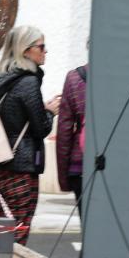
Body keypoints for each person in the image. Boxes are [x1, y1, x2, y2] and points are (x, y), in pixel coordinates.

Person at [0, 25, 61, 245]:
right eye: (41, 46)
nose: (45, 51)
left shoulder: (3, 81)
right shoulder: (28, 83)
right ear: (25, 50)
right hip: (22, 168)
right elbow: (41, 128)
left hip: (1, 167)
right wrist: (50, 112)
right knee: (18, 235)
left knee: (4, 232)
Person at [56, 63, 87, 217]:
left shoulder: (74, 78)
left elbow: (64, 130)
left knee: (88, 228)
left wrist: (64, 178)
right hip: (118, 167)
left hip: (80, 166)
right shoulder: (122, 78)